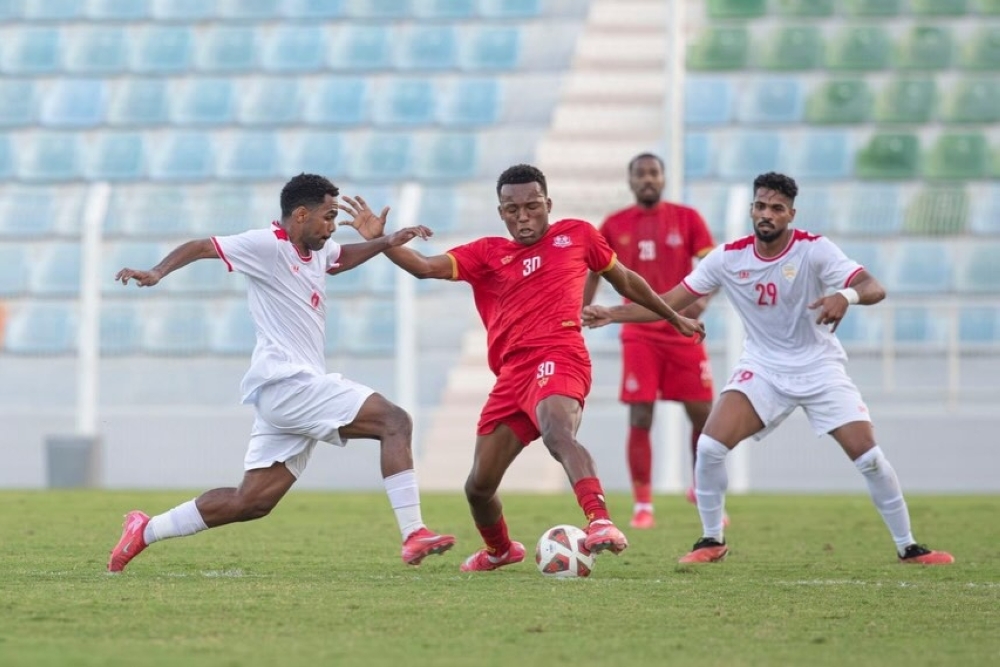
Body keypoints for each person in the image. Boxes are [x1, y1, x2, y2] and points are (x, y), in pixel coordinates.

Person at [337, 163, 705, 572]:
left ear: (548, 203)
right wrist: (383, 242)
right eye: (513, 210)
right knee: (478, 487)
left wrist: (673, 316)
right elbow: (424, 267)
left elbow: (626, 280)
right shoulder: (487, 254)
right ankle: (500, 550)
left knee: (557, 432)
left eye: (532, 206)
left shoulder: (578, 235)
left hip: (560, 355)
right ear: (501, 212)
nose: (523, 216)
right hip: (512, 376)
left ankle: (600, 521)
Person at [582, 172, 954, 566]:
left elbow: (873, 286)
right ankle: (711, 540)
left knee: (869, 458)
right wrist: (611, 313)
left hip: (819, 368)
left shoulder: (814, 250)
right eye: (761, 206)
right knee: (709, 447)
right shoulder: (728, 257)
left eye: (777, 208)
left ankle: (909, 547)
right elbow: (668, 300)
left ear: (790, 214)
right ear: (751, 210)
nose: (767, 214)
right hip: (763, 369)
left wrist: (845, 296)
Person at [107, 173, 456, 573]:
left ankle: (144, 530)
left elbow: (339, 261)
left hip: (287, 393)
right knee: (394, 421)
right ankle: (414, 533)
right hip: (289, 383)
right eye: (327, 217)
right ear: (302, 215)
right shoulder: (266, 245)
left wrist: (384, 241)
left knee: (251, 501)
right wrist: (156, 271)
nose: (332, 227)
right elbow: (203, 246)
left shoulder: (318, 250)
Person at [583, 152, 716, 529]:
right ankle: (643, 504)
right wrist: (583, 309)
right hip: (639, 331)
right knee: (640, 414)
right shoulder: (614, 224)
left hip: (682, 328)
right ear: (630, 181)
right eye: (640, 174)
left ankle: (701, 487)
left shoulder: (687, 219)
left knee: (704, 415)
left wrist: (701, 302)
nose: (647, 179)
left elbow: (712, 266)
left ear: (664, 178)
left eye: (653, 173)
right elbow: (594, 268)